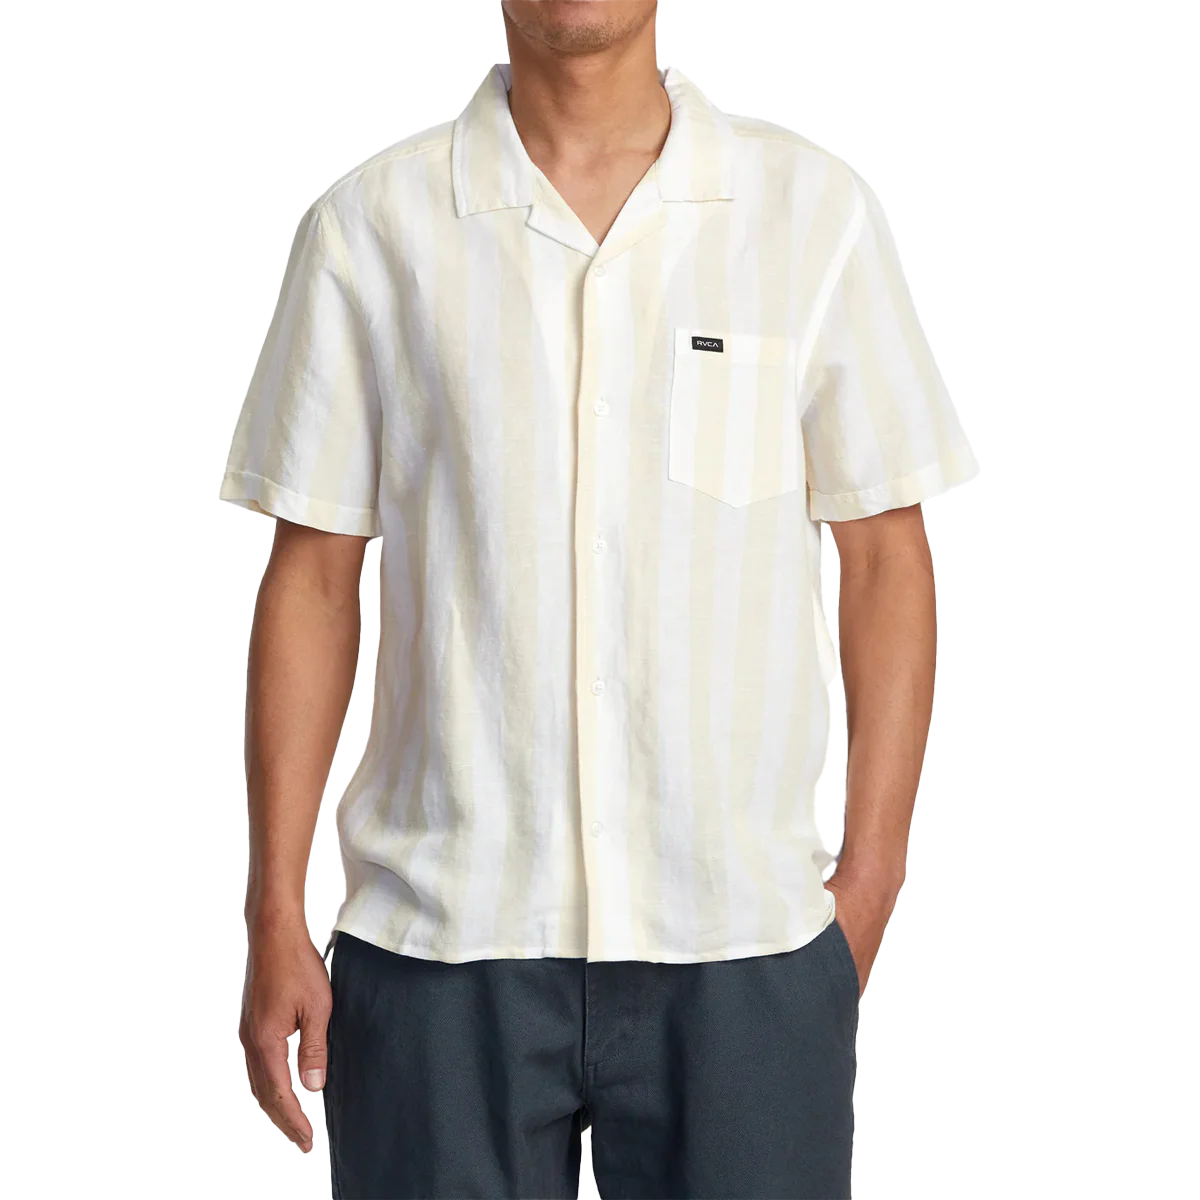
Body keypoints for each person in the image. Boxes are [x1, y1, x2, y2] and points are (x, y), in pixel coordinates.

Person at [219, 2, 975, 1196]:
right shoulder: (375, 228)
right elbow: (313, 577)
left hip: (744, 941)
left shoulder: (805, 215)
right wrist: (273, 910)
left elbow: (886, 557)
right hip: (440, 939)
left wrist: (868, 886)